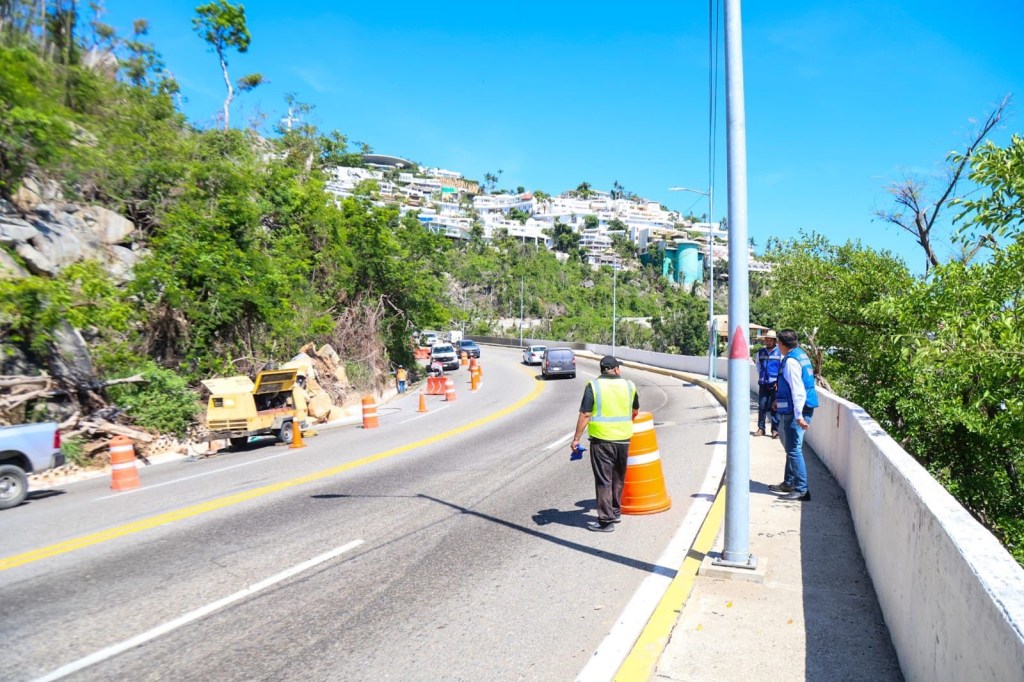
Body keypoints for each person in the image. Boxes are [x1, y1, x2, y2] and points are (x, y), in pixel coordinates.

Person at [571, 356, 639, 532]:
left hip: (602, 441)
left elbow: (586, 414)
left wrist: (576, 438)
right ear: (615, 369)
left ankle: (606, 521)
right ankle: (615, 512)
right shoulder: (629, 386)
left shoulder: (593, 386)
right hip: (623, 439)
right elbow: (635, 410)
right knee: (618, 478)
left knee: (604, 480)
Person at [770, 329, 819, 501]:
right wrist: (778, 400)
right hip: (799, 406)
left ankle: (801, 489)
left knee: (794, 450)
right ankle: (789, 483)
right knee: (792, 448)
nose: (777, 345)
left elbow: (798, 391)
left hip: (798, 409)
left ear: (782, 344)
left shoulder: (791, 361)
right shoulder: (800, 355)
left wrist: (798, 416)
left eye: (778, 343)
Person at [755, 330, 782, 438]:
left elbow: (782, 368)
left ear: (775, 341)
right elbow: (757, 364)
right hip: (763, 383)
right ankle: (761, 428)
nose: (768, 342)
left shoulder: (780, 353)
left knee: (775, 407)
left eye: (770, 340)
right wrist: (761, 375)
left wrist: (779, 382)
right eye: (767, 340)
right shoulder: (760, 352)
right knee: (762, 406)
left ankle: (775, 430)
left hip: (775, 385)